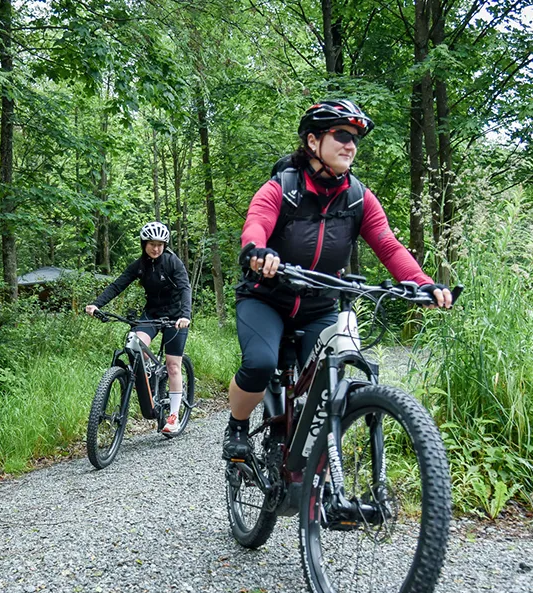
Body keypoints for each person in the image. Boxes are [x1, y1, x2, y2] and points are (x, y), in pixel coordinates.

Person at [222, 99, 454, 460]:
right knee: (261, 363)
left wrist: (422, 283)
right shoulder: (281, 188)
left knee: (331, 375)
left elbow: (388, 245)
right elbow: (257, 223)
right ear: (313, 142)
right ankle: (237, 426)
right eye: (342, 135)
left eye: (356, 139)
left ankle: (319, 472)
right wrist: (258, 250)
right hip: (266, 298)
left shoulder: (359, 198)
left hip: (320, 306)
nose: (351, 145)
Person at [86, 221, 191, 434]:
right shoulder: (140, 265)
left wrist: (185, 316)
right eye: (152, 244)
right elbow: (118, 284)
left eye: (160, 244)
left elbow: (184, 288)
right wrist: (97, 304)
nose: (156, 248)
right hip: (152, 314)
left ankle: (173, 416)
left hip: (175, 317)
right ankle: (150, 379)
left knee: (172, 366)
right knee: (135, 345)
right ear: (144, 244)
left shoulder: (173, 263)